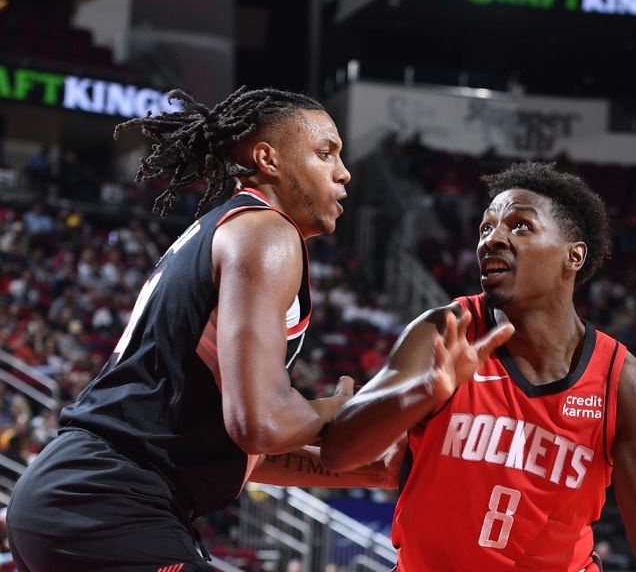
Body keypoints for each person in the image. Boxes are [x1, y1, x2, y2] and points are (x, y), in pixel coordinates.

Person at [5, 86, 402, 571]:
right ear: (267, 158)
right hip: (107, 503)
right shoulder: (266, 232)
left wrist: (371, 468)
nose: (343, 173)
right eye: (325, 154)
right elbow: (259, 423)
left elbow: (244, 444)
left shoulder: (228, 232)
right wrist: (344, 408)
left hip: (83, 498)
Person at [321, 162, 636, 572]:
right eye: (485, 228)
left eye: (520, 225)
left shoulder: (627, 384)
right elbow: (339, 452)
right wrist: (424, 391)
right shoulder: (446, 331)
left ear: (573, 256)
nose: (493, 239)